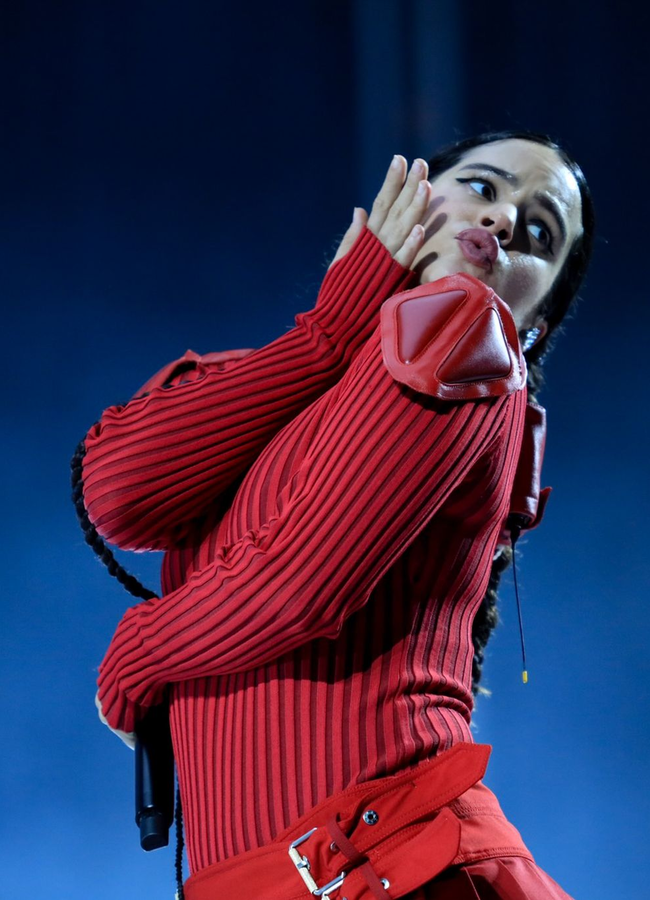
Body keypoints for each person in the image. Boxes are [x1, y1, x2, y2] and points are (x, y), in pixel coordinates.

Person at [73, 129, 595, 899]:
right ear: (410, 196)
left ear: (534, 325)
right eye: (483, 187)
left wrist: (140, 652)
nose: (504, 220)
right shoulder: (285, 387)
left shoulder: (466, 331)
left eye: (540, 235)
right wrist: (330, 331)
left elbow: (299, 584)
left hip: (395, 869)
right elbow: (121, 493)